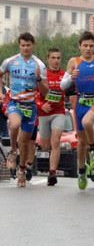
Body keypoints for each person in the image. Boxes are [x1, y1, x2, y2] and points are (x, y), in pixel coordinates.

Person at [61, 31, 94, 190]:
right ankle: (82, 170)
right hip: (80, 102)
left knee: (88, 122)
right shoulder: (74, 62)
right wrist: (71, 77)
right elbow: (63, 85)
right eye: (85, 46)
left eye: (91, 46)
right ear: (79, 46)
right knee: (81, 142)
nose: (88, 49)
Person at [0, 32, 48, 187]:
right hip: (15, 102)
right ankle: (13, 151)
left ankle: (22, 170)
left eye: (28, 45)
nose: (25, 48)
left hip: (30, 106)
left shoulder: (39, 65)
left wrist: (39, 79)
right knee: (14, 125)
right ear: (19, 45)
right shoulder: (11, 61)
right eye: (23, 45)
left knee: (25, 142)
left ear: (33, 45)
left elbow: (45, 91)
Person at [37, 48, 66, 186]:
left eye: (58, 58)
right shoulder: (43, 75)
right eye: (53, 58)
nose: (56, 61)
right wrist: (41, 104)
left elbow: (71, 90)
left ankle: (52, 173)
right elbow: (34, 93)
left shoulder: (64, 75)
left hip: (58, 112)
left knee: (56, 140)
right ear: (47, 59)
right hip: (43, 113)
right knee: (45, 146)